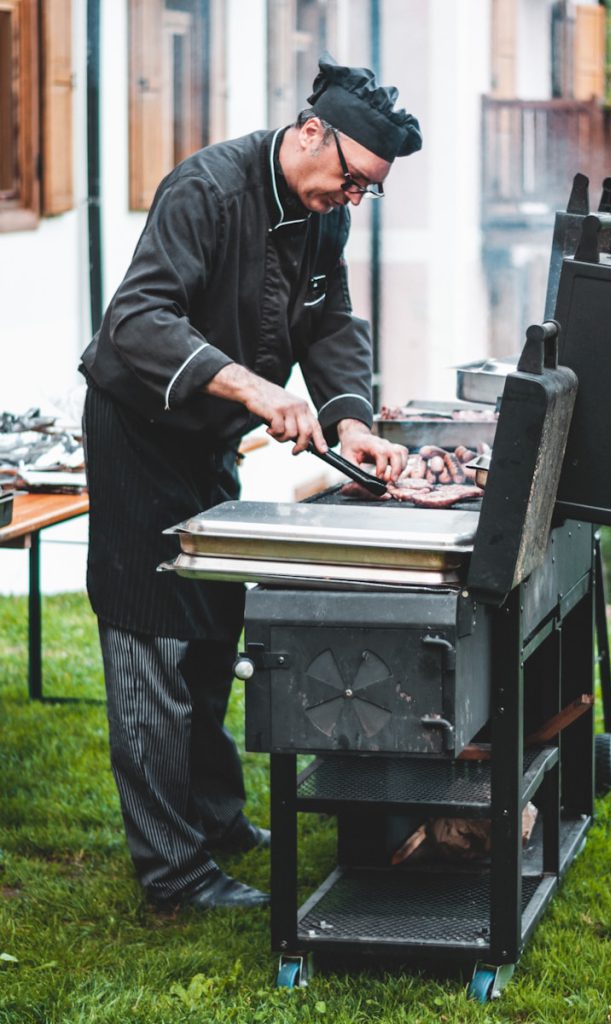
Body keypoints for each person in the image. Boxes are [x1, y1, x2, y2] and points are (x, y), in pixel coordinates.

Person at [79, 54, 421, 911]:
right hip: (139, 440)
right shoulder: (206, 189)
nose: (350, 201)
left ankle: (216, 820)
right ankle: (173, 874)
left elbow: (329, 320)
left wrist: (351, 422)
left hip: (207, 448)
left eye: (365, 192)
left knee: (208, 632)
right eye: (351, 180)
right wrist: (256, 388)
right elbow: (137, 320)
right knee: (150, 644)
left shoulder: (321, 217)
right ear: (312, 134)